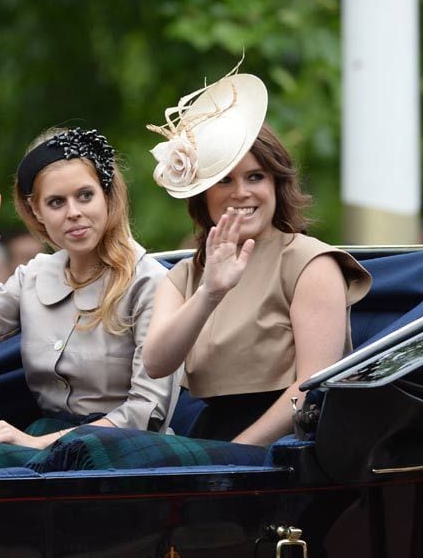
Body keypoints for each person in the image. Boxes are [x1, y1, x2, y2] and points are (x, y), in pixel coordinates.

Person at [141, 67, 372, 447]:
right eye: (225, 180)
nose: (241, 193)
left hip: (291, 443)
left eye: (255, 177)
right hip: (210, 433)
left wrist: (240, 454)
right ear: (203, 195)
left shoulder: (309, 262)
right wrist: (210, 292)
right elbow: (156, 363)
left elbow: (312, 386)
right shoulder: (185, 275)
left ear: (276, 183)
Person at [0, 127, 180, 453]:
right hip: (49, 443)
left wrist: (38, 443)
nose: (74, 212)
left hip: (126, 454)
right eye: (56, 202)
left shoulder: (149, 282)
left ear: (108, 196)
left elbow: (146, 411)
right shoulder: (34, 276)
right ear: (36, 212)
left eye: (85, 195)